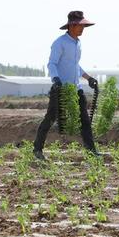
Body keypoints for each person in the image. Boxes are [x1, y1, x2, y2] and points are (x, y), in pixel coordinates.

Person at [33, 11, 99, 161]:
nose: (83, 29)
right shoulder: (60, 43)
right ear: (71, 25)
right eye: (80, 26)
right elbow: (52, 63)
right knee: (50, 118)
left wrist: (88, 78)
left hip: (76, 88)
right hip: (60, 88)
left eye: (83, 26)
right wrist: (55, 79)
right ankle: (37, 149)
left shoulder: (78, 43)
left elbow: (75, 65)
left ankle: (91, 151)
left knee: (84, 120)